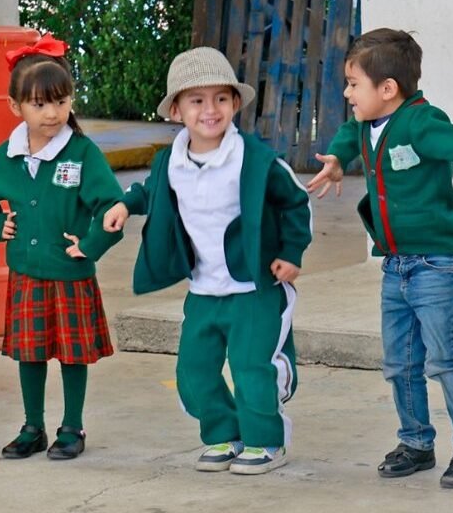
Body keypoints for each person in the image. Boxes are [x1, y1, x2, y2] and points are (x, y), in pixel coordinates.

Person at [307, 28, 453, 489]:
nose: (346, 92)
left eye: (354, 83)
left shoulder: (421, 124)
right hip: (395, 266)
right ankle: (416, 442)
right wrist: (337, 159)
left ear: (388, 89)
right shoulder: (365, 124)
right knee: (399, 362)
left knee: (446, 359)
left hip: (437, 265)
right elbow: (347, 132)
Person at [103, 47, 312, 475]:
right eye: (196, 100)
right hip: (203, 289)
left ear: (235, 104)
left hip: (253, 287)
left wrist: (291, 254)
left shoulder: (255, 161)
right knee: (193, 372)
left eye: (220, 98)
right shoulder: (170, 162)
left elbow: (295, 202)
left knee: (251, 368)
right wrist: (126, 205)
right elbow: (151, 190)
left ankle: (265, 441)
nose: (210, 110)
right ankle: (224, 433)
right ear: (176, 111)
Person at [0, 35, 124, 460]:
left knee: (74, 354)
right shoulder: (9, 155)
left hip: (70, 273)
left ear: (71, 99)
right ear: (15, 106)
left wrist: (92, 244)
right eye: (39, 104)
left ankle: (72, 426)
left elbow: (112, 206)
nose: (52, 112)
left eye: (60, 100)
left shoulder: (82, 154)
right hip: (27, 272)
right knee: (29, 350)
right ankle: (32, 426)